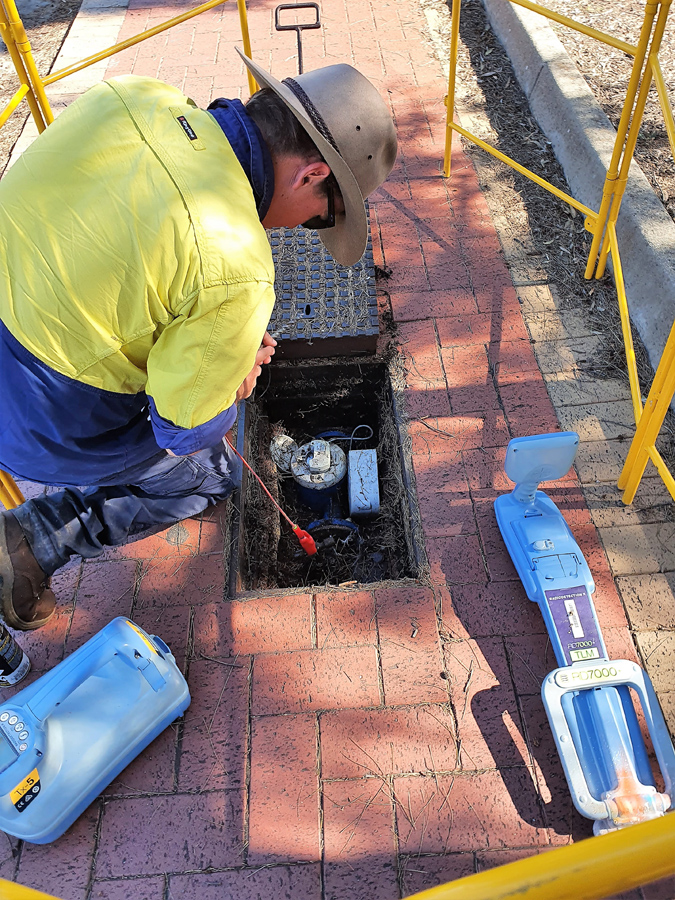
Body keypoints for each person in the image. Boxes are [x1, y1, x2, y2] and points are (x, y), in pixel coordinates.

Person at [0, 49, 398, 631]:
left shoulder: (134, 94)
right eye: (320, 217)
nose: (304, 230)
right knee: (210, 472)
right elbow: (182, 431)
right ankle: (35, 537)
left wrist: (206, 329)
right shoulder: (234, 262)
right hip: (34, 415)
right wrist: (232, 376)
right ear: (311, 175)